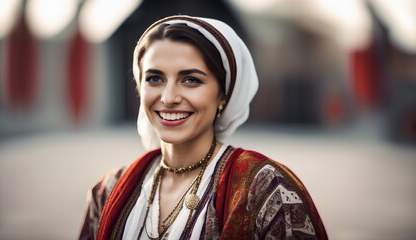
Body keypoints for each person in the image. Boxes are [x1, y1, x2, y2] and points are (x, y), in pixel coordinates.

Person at [79, 15, 328, 240]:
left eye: (191, 80)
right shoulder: (107, 192)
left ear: (223, 95)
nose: (168, 97)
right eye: (155, 78)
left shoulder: (266, 189)